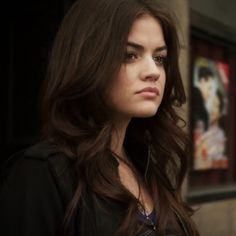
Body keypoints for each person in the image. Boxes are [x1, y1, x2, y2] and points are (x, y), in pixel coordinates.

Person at [0, 0, 199, 235]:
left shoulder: (145, 163)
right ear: (88, 60)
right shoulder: (44, 173)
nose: (153, 72)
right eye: (130, 55)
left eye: (159, 58)